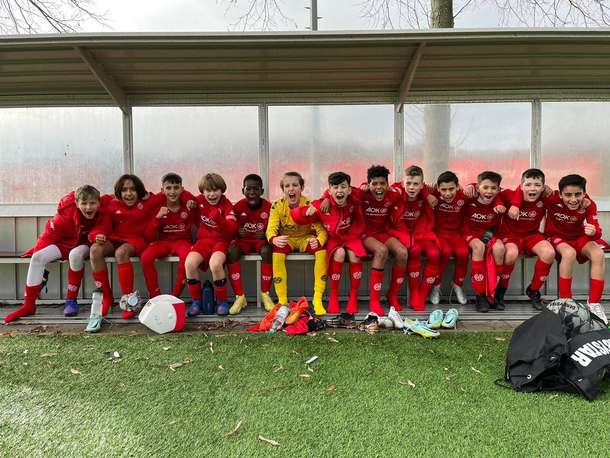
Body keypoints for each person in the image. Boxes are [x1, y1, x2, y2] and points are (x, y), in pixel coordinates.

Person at [4, 185, 103, 323]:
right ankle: (29, 305)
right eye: (84, 203)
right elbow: (47, 237)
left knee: (75, 255)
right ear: (76, 203)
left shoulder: (104, 210)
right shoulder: (64, 216)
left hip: (85, 244)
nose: (88, 207)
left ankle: (71, 300)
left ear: (99, 202)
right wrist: (41, 261)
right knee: (38, 257)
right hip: (65, 244)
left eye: (92, 203)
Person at [88, 174, 182, 319]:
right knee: (95, 250)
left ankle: (128, 301)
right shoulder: (111, 204)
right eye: (125, 190)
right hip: (114, 238)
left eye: (132, 189)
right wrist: (97, 235)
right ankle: (106, 297)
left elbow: (172, 192)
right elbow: (102, 222)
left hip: (136, 240)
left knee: (121, 253)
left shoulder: (148, 202)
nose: (129, 193)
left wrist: (189, 202)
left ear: (139, 191)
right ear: (119, 192)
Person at [292, 172, 366, 315]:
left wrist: (326, 195)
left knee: (356, 256)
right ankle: (333, 296)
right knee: (339, 253)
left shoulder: (354, 198)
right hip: (334, 239)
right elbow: (296, 215)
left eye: (343, 187)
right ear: (330, 189)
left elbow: (363, 190)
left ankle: (353, 297)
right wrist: (307, 211)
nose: (339, 191)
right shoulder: (322, 206)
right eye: (335, 187)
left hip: (351, 237)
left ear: (349, 189)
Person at [543, 174, 606, 324]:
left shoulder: (588, 204)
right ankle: (566, 302)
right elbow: (524, 193)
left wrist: (594, 232)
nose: (573, 199)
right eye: (568, 195)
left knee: (598, 253)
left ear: (584, 193)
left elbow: (596, 230)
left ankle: (594, 304)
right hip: (557, 236)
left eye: (578, 194)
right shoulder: (551, 198)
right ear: (560, 194)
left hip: (578, 237)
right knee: (569, 253)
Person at [266, 172, 328, 316]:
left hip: (304, 238)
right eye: (287, 186)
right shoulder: (277, 205)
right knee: (277, 252)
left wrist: (318, 240)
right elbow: (271, 229)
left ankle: (317, 299)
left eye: (295, 185)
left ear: (301, 188)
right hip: (287, 239)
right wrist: (274, 239)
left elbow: (322, 231)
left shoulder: (309, 205)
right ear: (283, 189)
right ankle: (282, 301)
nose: (291, 189)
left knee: (321, 251)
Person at [497, 168, 555, 310]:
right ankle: (500, 291)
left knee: (549, 253)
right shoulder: (510, 195)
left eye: (537, 185)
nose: (532, 188)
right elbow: (491, 192)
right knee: (510, 254)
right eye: (528, 184)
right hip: (510, 235)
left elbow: (565, 197)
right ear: (521, 186)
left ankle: (533, 290)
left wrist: (552, 192)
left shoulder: (544, 199)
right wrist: (471, 186)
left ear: (543, 187)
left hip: (531, 235)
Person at [184, 173, 238, 317]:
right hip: (203, 241)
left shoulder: (227, 205)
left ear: (222, 190)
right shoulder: (198, 201)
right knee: (189, 263)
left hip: (220, 242)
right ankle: (196, 301)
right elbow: (191, 217)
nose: (212, 194)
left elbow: (232, 230)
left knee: (215, 264)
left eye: (215, 190)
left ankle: (222, 301)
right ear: (203, 192)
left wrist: (219, 219)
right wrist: (190, 206)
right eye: (208, 191)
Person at [140, 172, 197, 299]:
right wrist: (157, 218)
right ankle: (155, 295)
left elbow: (199, 218)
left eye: (176, 188)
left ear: (182, 189)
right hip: (162, 242)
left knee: (187, 257)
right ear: (162, 190)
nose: (172, 192)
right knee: (145, 257)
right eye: (168, 188)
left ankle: (175, 296)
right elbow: (149, 236)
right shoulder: (157, 207)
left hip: (182, 241)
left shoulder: (188, 206)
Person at [390, 165, 439, 311]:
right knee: (414, 250)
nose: (411, 187)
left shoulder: (425, 194)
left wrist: (471, 186)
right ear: (402, 183)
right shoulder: (396, 192)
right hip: (399, 233)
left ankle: (422, 293)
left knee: (435, 254)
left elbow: (452, 186)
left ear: (422, 185)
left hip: (421, 233)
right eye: (408, 184)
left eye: (416, 184)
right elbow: (376, 189)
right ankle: (411, 293)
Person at [226, 174, 274, 314]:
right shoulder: (238, 206)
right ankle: (240, 296)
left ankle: (265, 294)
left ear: (262, 191)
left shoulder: (269, 207)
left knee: (267, 251)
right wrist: (237, 231)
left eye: (256, 189)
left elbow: (275, 227)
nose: (252, 192)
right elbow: (231, 224)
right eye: (248, 189)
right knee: (231, 252)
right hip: (244, 242)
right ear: (243, 190)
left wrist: (265, 233)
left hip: (260, 242)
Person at [463, 171, 506, 312]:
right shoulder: (470, 198)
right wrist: (470, 186)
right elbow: (458, 193)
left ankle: (495, 294)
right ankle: (480, 296)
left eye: (493, 188)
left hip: (488, 233)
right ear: (478, 187)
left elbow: (516, 193)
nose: (489, 191)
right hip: (469, 233)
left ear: (499, 189)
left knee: (500, 249)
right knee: (479, 247)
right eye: (485, 187)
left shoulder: (499, 201)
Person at [428, 171, 469, 305]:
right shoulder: (433, 195)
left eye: (451, 189)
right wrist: (426, 193)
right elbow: (412, 185)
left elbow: (487, 190)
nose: (447, 193)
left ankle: (457, 284)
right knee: (444, 253)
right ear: (438, 188)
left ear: (457, 187)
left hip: (456, 235)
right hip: (439, 234)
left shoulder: (464, 196)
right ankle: (436, 286)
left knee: (463, 253)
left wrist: (473, 185)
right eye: (443, 190)